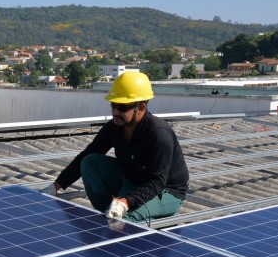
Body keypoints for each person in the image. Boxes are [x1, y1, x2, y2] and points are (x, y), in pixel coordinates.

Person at [53, 71, 189, 223]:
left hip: (166, 191)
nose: (115, 112)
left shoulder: (159, 135)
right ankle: (108, 213)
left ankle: (119, 223)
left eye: (122, 107)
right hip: (133, 179)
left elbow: (157, 182)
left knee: (123, 219)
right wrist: (57, 185)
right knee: (89, 162)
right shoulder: (114, 127)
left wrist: (126, 202)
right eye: (113, 106)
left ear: (141, 107)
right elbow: (88, 153)